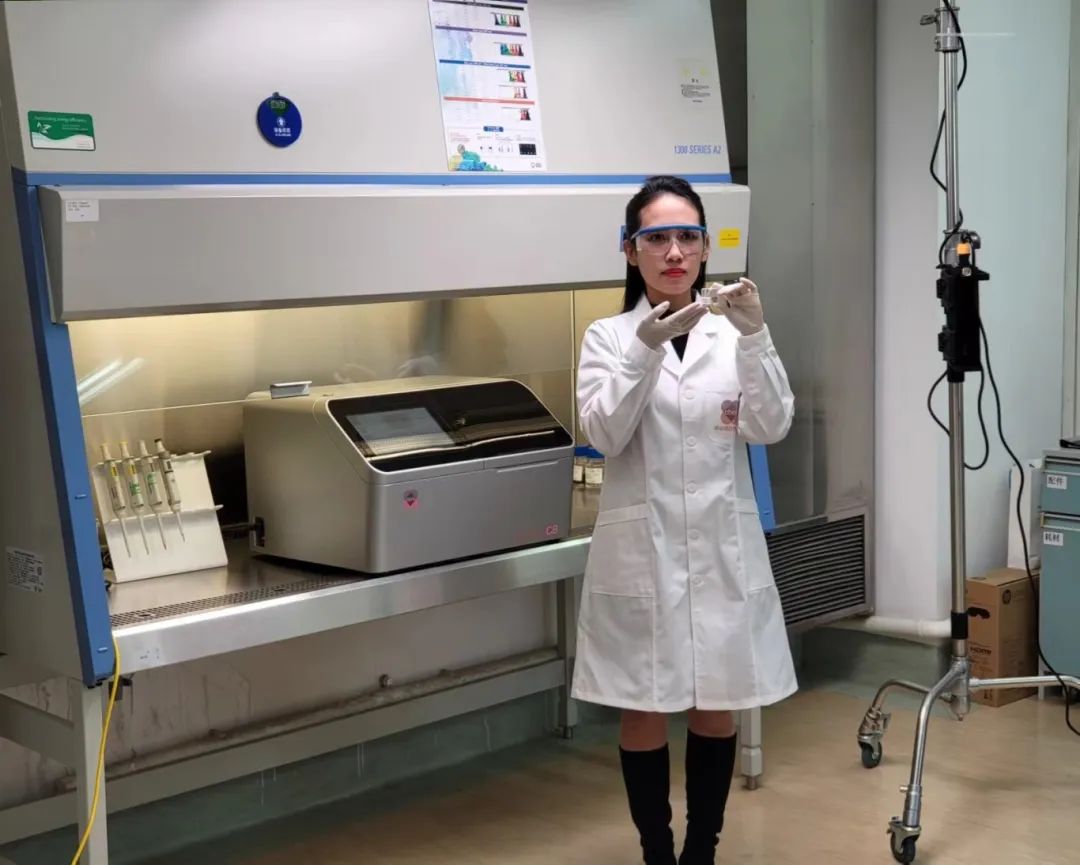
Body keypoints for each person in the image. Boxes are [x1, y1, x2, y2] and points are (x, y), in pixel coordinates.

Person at [572, 175, 797, 865]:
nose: (674, 251)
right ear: (630, 249)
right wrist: (645, 348)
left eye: (688, 236)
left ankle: (702, 849)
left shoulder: (732, 334)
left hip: (720, 545)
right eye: (657, 237)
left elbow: (770, 423)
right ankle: (657, 853)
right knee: (644, 705)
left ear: (705, 247)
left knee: (715, 702)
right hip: (644, 551)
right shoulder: (609, 336)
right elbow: (604, 432)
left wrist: (755, 335)